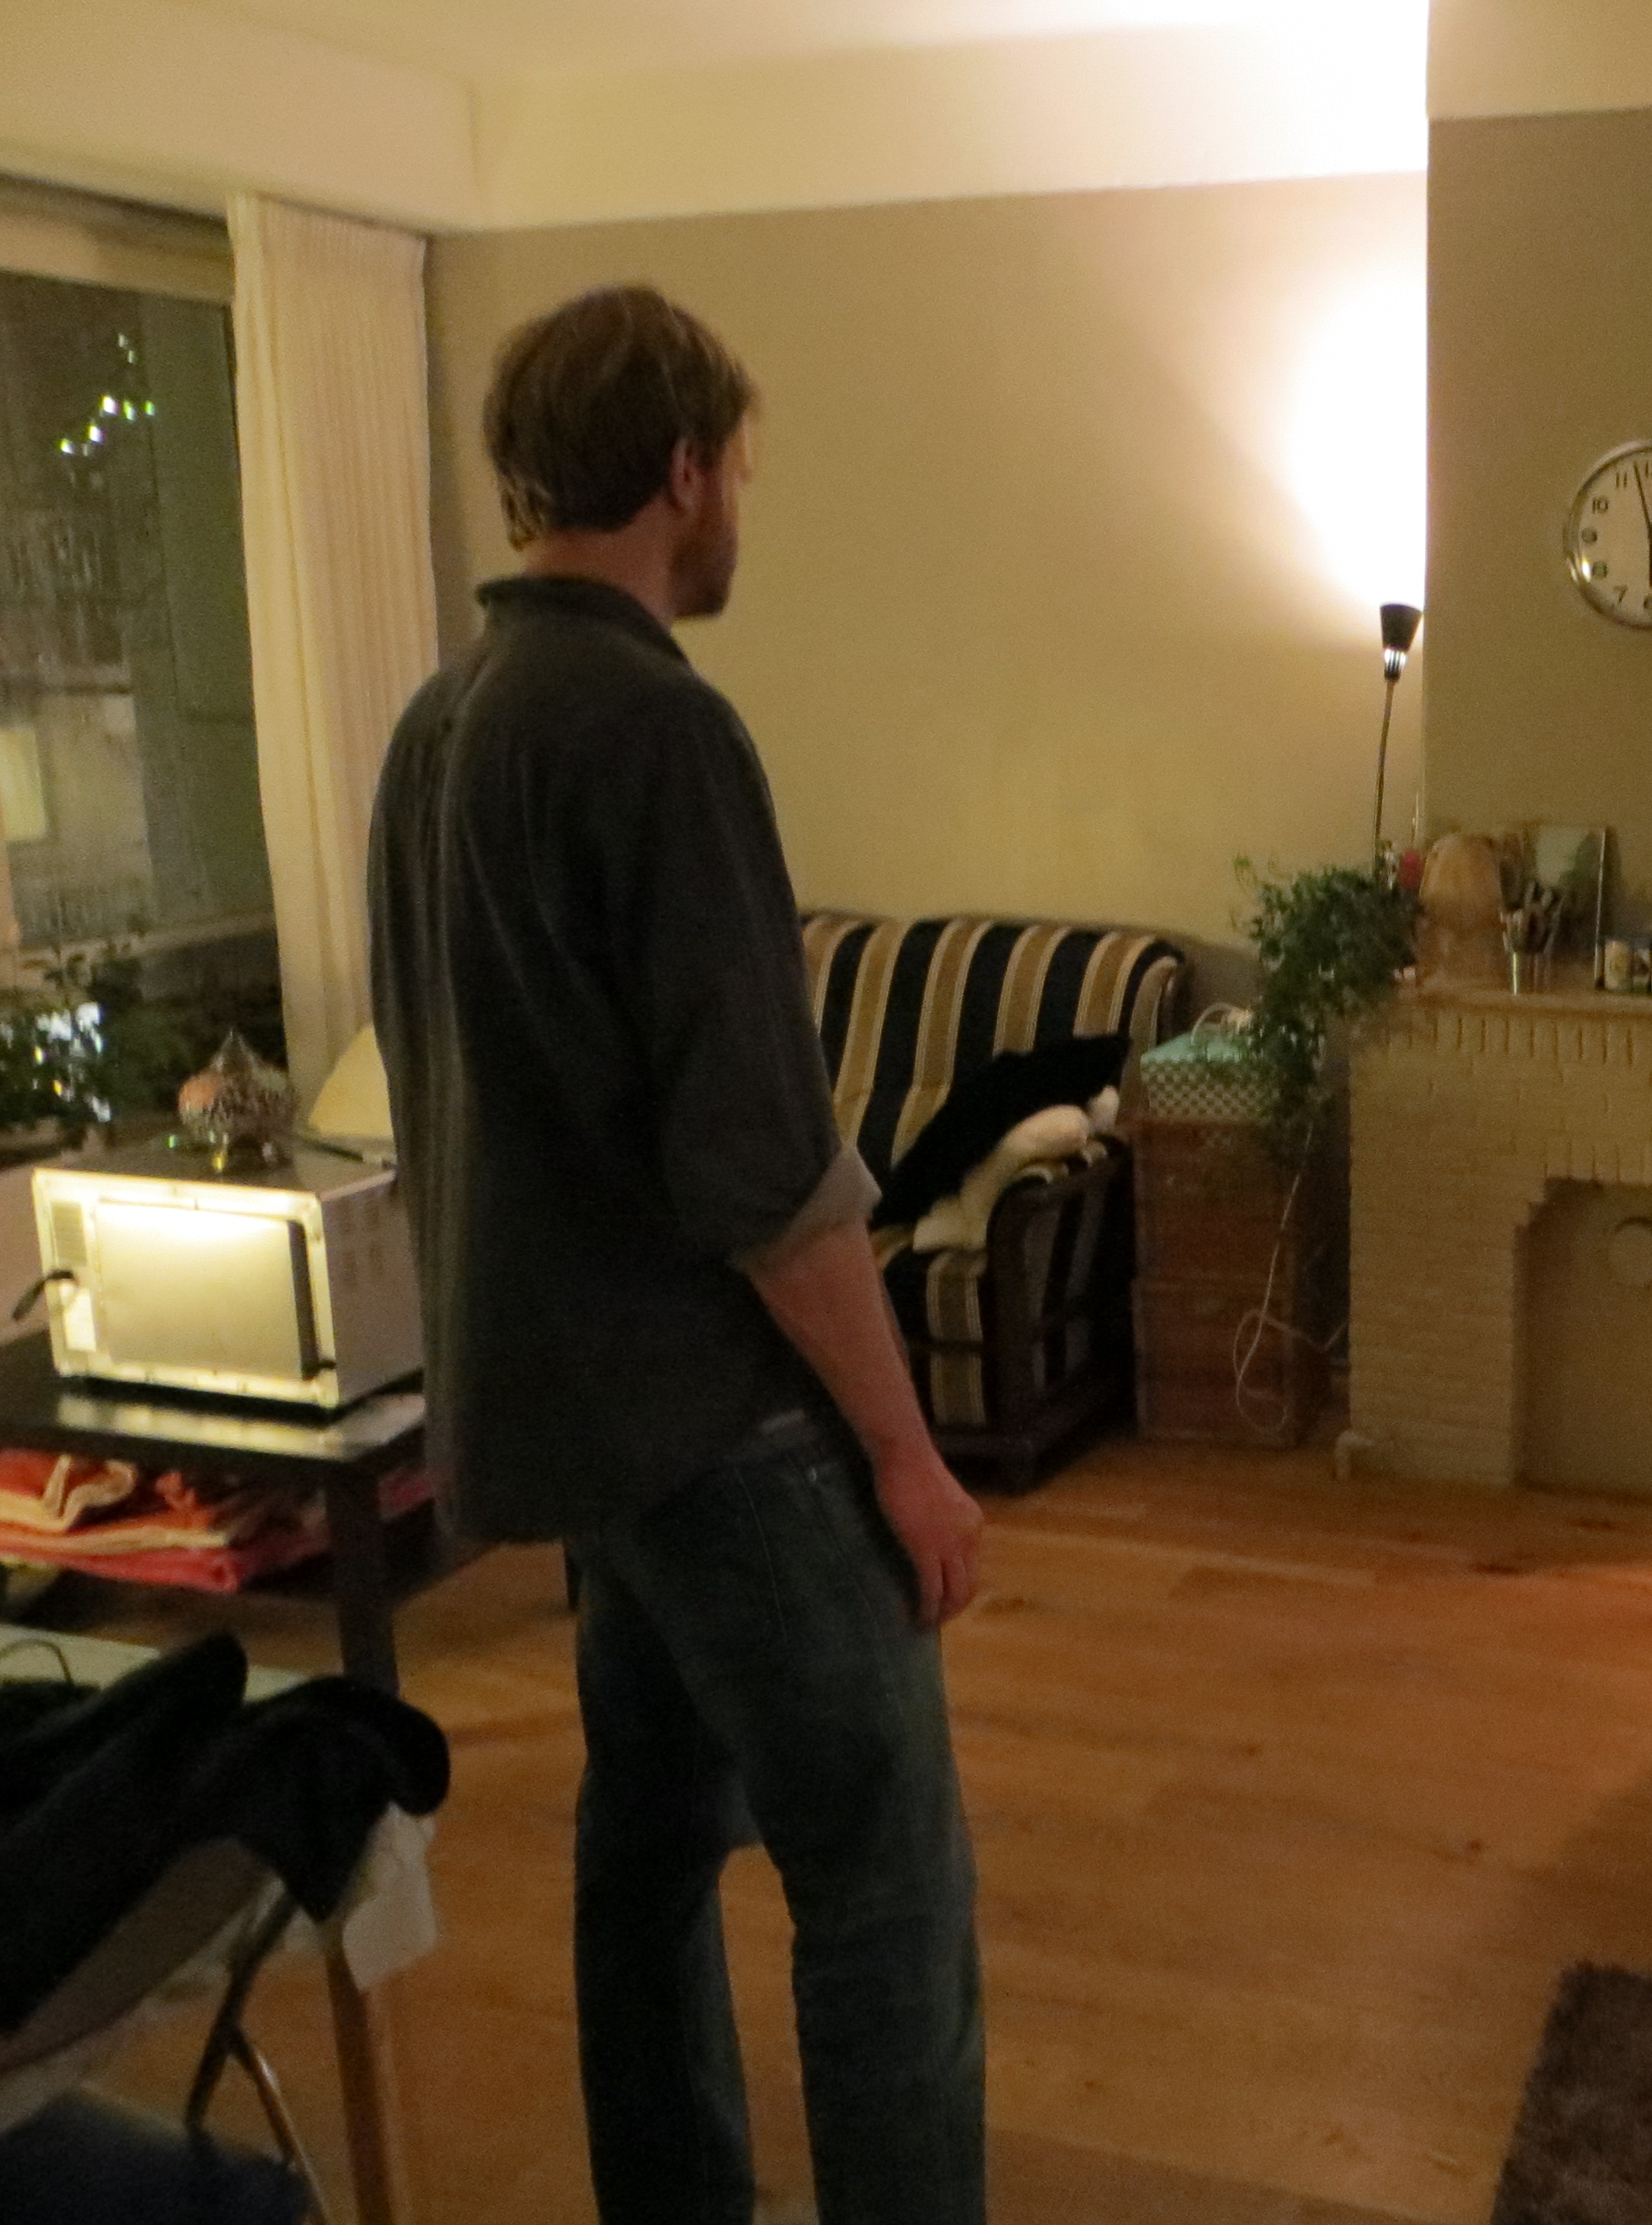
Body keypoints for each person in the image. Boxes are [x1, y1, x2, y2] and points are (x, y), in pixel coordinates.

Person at [368, 286, 987, 2225]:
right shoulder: (653, 724)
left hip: (571, 1430)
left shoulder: (440, 722)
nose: (740, 515)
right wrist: (903, 1452)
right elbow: (762, 1165)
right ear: (686, 469)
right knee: (882, 1882)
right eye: (739, 474)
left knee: (640, 1853)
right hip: (724, 1437)